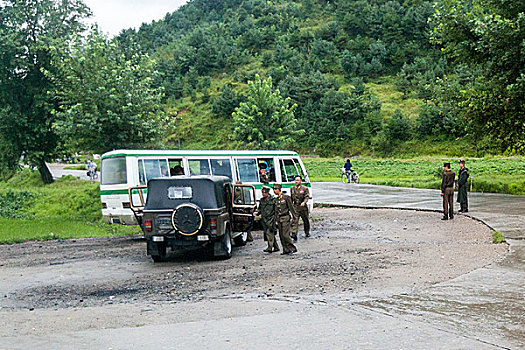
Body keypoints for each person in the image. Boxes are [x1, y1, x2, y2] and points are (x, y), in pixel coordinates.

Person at [273, 183, 297, 255]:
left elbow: (291, 207)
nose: (274, 191)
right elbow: (276, 211)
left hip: (285, 217)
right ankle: (285, 249)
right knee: (281, 235)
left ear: (278, 189)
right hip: (279, 219)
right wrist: (276, 220)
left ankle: (292, 248)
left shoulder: (286, 197)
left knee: (286, 235)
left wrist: (295, 217)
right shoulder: (276, 199)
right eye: (273, 189)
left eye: (275, 189)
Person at [254, 186, 279, 253]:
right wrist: (256, 212)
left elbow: (276, 210)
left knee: (269, 233)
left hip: (271, 219)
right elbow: (260, 209)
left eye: (264, 193)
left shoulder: (273, 200)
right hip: (264, 219)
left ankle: (270, 247)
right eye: (262, 192)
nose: (263, 194)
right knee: (269, 233)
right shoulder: (262, 200)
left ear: (267, 193)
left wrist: (276, 219)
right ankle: (276, 247)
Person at [291, 175, 310, 240]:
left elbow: (307, 197)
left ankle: (307, 232)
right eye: (295, 180)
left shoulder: (304, 188)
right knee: (295, 220)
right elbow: (291, 198)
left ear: (301, 181)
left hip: (303, 207)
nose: (296, 182)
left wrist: (304, 202)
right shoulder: (292, 188)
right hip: (296, 207)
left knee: (305, 220)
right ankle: (294, 234)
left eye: (298, 180)